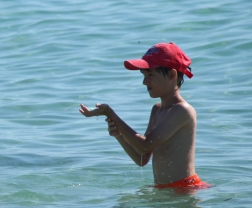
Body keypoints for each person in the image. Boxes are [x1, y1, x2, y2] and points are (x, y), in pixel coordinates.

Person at [79, 43, 207, 189]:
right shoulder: (157, 109)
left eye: (150, 74)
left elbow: (144, 146)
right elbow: (142, 158)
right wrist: (119, 135)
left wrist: (112, 114)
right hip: (165, 189)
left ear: (172, 75)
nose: (144, 81)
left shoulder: (183, 111)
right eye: (144, 75)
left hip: (185, 188)